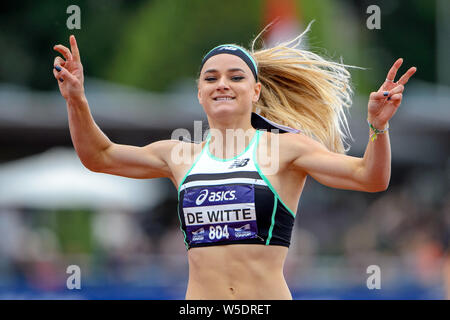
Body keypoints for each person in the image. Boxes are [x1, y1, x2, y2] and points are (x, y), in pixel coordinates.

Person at [52, 30, 416, 299]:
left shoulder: (286, 149)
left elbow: (370, 178)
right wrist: (76, 99)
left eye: (236, 77)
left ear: (255, 91)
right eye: (211, 78)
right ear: (199, 92)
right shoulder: (180, 155)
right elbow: (99, 156)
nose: (222, 84)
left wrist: (377, 127)